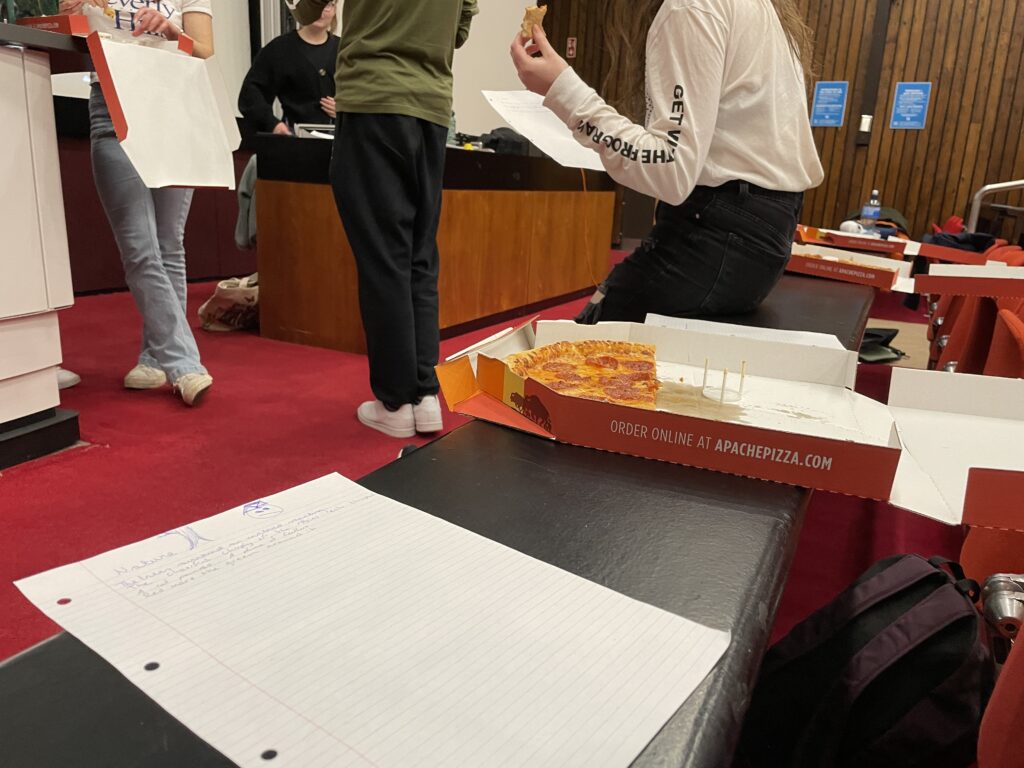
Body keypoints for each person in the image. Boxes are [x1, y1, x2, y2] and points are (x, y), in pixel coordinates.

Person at [511, 0, 824, 323]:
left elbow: (668, 168)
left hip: (718, 234)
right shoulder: (755, 8)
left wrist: (563, 91)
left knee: (588, 338)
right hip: (762, 235)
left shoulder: (691, 8)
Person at [290, 0, 478, 438]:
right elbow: (460, 28)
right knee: (419, 254)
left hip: (373, 97)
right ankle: (425, 394)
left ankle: (395, 402)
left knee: (383, 255)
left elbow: (308, 9)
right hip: (431, 107)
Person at [60, 0, 215, 405]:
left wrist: (171, 30)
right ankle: (184, 364)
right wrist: (69, 13)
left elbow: (204, 48)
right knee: (139, 247)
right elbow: (68, 33)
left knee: (169, 245)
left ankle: (154, 358)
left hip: (174, 107)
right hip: (112, 104)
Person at [238, 2, 340, 136]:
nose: (321, 11)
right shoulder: (279, 49)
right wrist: (272, 124)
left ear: (334, 9)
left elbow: (364, 93)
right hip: (294, 139)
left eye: (327, 5)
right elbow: (251, 94)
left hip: (342, 141)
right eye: (314, 2)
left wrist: (347, 111)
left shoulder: (345, 50)